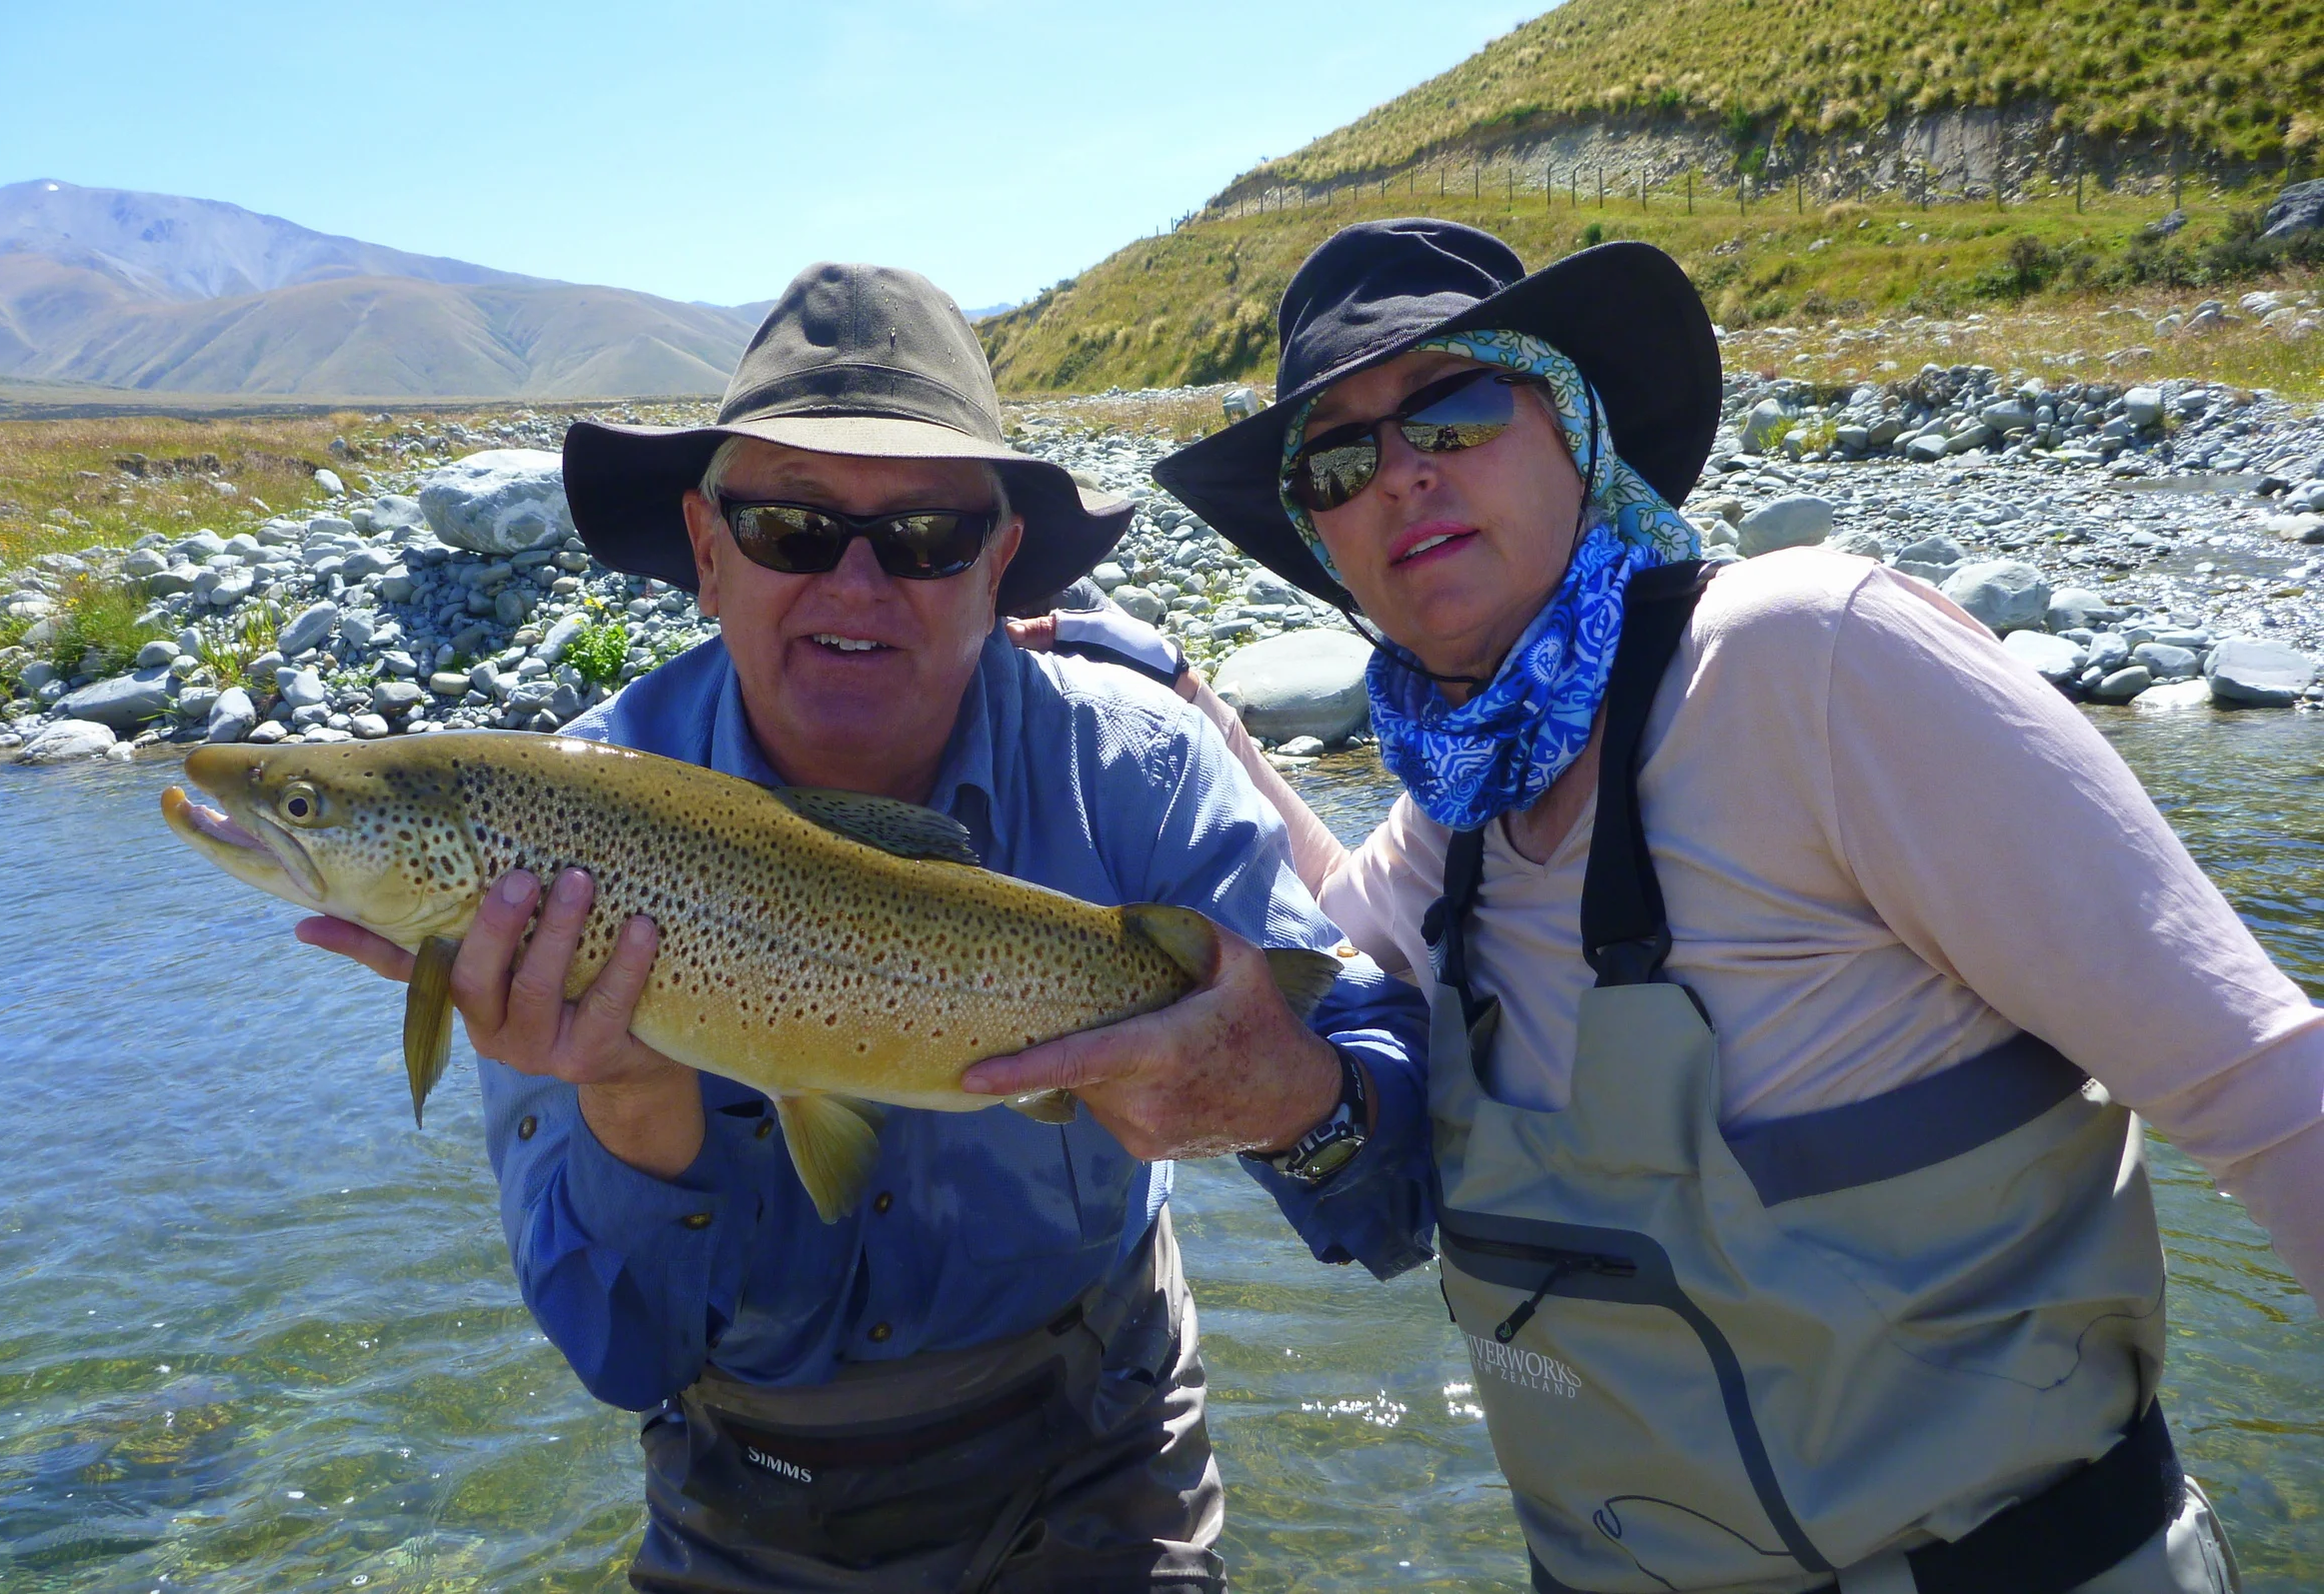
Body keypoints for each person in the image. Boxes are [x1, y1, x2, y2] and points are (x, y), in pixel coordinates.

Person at [969, 218, 2324, 1593]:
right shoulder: (1466, 809)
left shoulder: (1810, 665)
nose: (1399, 478)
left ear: (1573, 422)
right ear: (1320, 534)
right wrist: (1187, 704)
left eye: (1453, 406)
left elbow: (2270, 1087)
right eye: (1339, 457)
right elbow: (1331, 944)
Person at [300, 260, 1432, 1593]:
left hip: (1104, 1461)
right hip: (750, 1503)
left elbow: (1402, 1189)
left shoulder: (1139, 772)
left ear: (1002, 562)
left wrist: (1295, 1092)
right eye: (789, 525)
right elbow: (624, 1357)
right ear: (707, 551)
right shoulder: (556, 836)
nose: (855, 583)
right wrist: (636, 1099)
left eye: (924, 537)